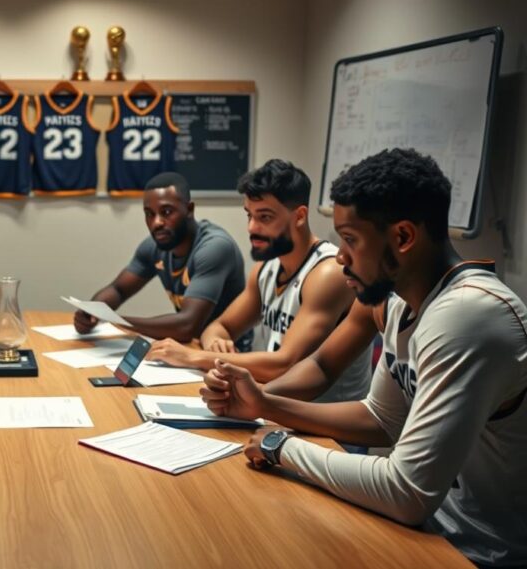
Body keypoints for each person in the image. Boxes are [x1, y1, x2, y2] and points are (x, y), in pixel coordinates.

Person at [201, 149, 527, 566]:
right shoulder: (399, 301)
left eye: (351, 240)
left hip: (481, 552)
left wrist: (281, 445)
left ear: (403, 238)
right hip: (429, 531)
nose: (340, 256)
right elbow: (381, 418)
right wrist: (264, 404)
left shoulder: (468, 315)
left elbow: (407, 492)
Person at [147, 160, 371, 403]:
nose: (252, 228)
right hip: (277, 405)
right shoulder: (266, 269)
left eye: (265, 217)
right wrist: (217, 344)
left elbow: (285, 364)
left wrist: (193, 357)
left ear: (299, 216)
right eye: (249, 215)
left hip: (325, 420)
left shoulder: (328, 273)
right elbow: (218, 326)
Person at [74, 171, 249, 345]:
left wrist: (117, 321)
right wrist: (92, 311)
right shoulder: (153, 246)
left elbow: (188, 325)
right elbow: (118, 289)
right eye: (149, 214)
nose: (157, 222)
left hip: (230, 353)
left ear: (189, 210)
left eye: (166, 212)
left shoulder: (214, 248)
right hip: (190, 347)